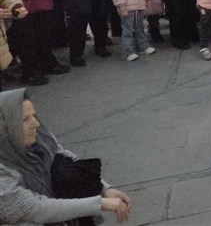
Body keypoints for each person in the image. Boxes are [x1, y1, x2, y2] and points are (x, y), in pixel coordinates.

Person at [0, 89, 132, 225]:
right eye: (25, 119)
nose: (35, 124)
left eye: (33, 116)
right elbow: (36, 209)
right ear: (4, 127)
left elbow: (69, 161)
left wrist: (104, 189)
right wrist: (99, 203)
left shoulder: (41, 140)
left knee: (63, 168)